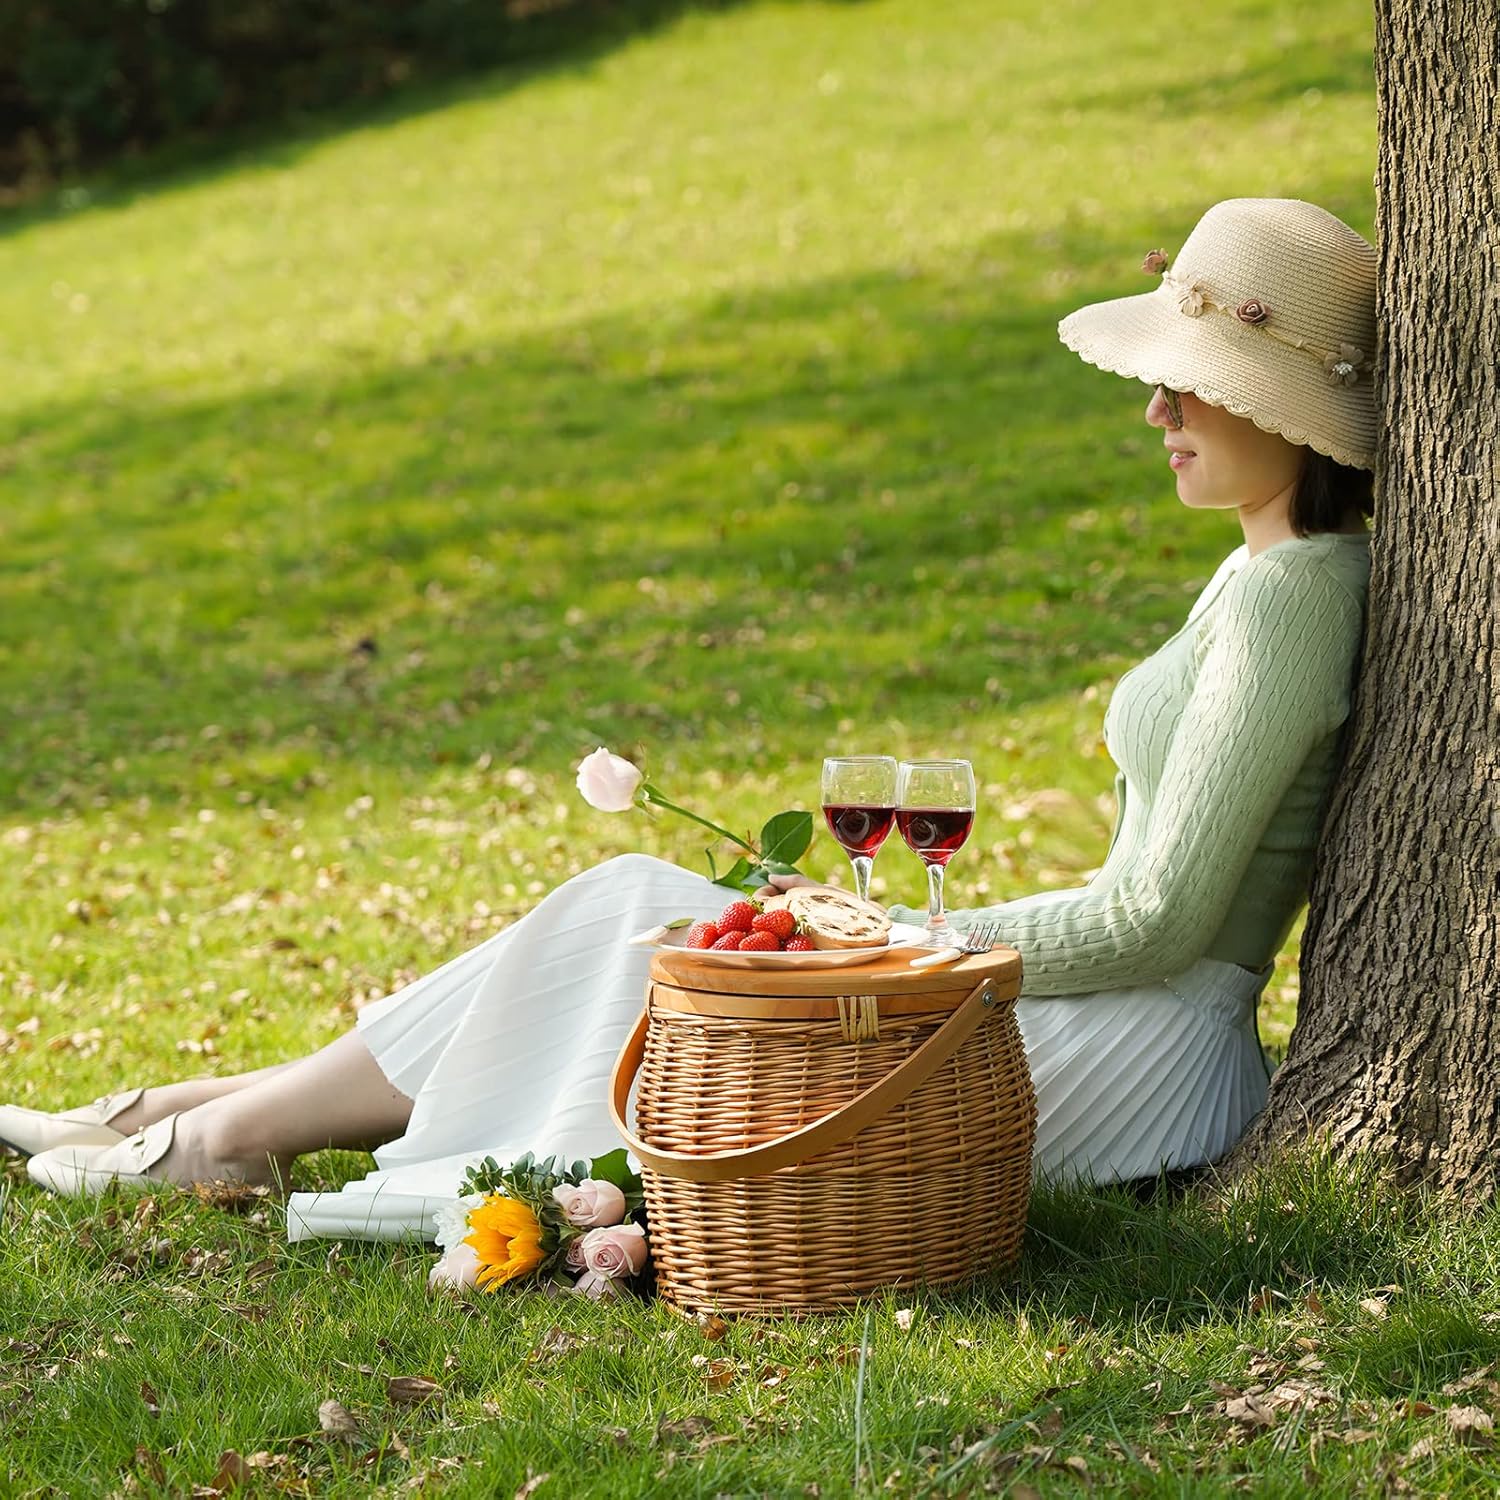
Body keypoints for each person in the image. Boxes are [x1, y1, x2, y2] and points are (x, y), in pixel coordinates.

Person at [5, 198, 1377, 1243]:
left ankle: (219, 1129)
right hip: (1105, 1012)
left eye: (1188, 383)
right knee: (643, 915)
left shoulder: (1294, 596)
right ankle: (203, 1113)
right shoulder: (1257, 567)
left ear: (1284, 404)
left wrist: (898, 938)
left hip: (1144, 1053)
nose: (1154, 409)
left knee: (649, 926)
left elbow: (1163, 922)